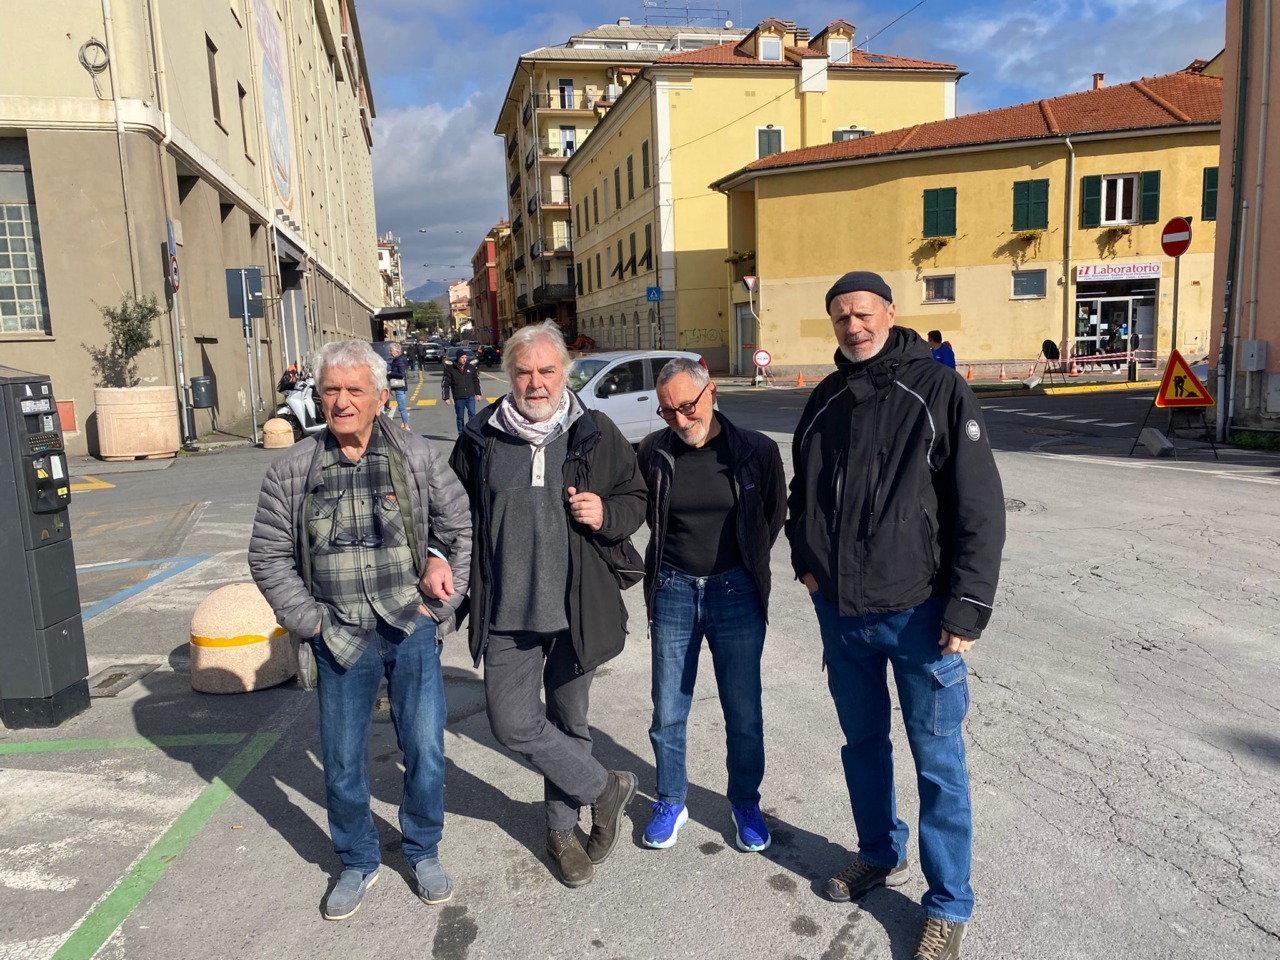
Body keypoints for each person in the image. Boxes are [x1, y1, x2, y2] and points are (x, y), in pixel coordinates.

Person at [786, 271, 1005, 960]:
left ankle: (948, 903)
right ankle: (880, 853)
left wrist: (967, 608)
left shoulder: (936, 388)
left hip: (922, 615)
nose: (854, 326)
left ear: (888, 312)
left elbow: (980, 507)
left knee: (939, 764)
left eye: (863, 312)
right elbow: (803, 493)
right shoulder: (824, 401)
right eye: (841, 317)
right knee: (862, 747)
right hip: (843, 616)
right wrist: (806, 560)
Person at [248, 340, 472, 920]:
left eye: (355, 391)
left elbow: (458, 524)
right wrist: (309, 622)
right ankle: (357, 860)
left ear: (379, 397)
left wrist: (441, 589)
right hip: (338, 632)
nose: (342, 403)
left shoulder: (418, 456)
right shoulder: (293, 469)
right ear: (317, 396)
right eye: (331, 391)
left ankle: (423, 848)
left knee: (423, 747)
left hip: (409, 623)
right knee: (343, 758)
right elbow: (268, 556)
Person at [449, 320, 646, 889]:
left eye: (547, 371)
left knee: (570, 721)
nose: (536, 383)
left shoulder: (595, 431)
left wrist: (605, 515)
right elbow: (456, 513)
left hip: (576, 609)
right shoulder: (482, 437)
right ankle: (606, 791)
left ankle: (561, 832)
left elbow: (633, 497)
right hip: (507, 610)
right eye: (524, 371)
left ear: (565, 373)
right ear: (508, 374)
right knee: (513, 724)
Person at [636, 358, 786, 852]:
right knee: (668, 708)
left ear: (712, 393)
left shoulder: (755, 451)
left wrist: (744, 564)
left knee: (743, 710)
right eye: (667, 412)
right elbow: (634, 509)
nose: (680, 420)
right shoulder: (653, 453)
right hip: (674, 589)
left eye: (686, 406)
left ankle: (744, 800)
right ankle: (671, 799)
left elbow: (772, 513)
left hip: (735, 591)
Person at [442, 348, 483, 435]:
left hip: (470, 396)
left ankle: (473, 433)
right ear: (458, 358)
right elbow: (445, 383)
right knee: (460, 417)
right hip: (459, 397)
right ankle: (461, 433)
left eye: (465, 357)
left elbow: (476, 381)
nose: (465, 359)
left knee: (472, 414)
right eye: (462, 357)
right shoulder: (451, 369)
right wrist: (446, 397)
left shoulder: (470, 368)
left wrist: (478, 393)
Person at [384, 343, 411, 429]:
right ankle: (406, 425)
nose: (389, 352)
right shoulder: (396, 360)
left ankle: (406, 426)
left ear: (397, 351)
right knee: (401, 407)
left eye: (391, 351)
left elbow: (402, 374)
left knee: (402, 407)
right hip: (397, 386)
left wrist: (390, 373)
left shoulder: (399, 360)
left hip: (400, 387)